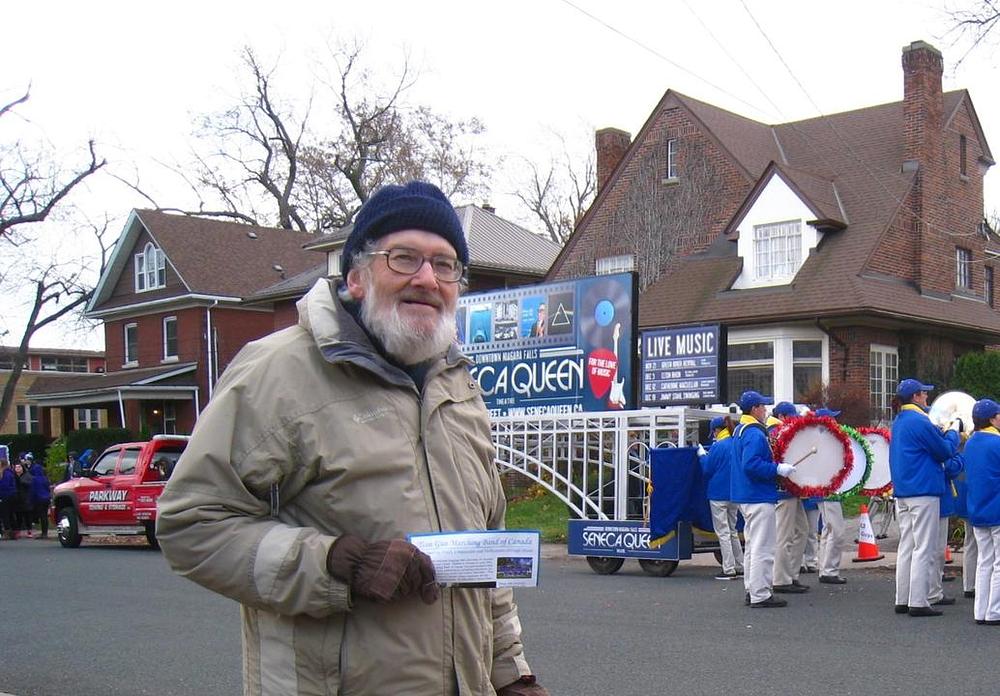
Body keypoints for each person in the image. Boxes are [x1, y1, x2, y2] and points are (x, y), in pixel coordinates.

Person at [157, 181, 548, 696]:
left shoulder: (459, 387)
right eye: (404, 258)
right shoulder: (276, 372)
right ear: (358, 276)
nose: (428, 278)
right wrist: (333, 562)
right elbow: (191, 525)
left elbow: (486, 557)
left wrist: (511, 675)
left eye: (446, 264)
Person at [889, 378, 960, 617]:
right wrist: (953, 432)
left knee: (907, 545)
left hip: (904, 491)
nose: (927, 398)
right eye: (924, 394)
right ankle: (918, 601)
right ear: (916, 397)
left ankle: (903, 598)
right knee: (924, 548)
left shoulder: (899, 420)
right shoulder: (920, 421)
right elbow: (945, 451)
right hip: (923, 490)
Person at [731, 390, 796, 608]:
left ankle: (752, 589)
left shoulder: (741, 430)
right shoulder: (754, 433)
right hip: (757, 495)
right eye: (763, 406)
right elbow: (751, 465)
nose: (766, 410)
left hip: (746, 495)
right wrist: (778, 468)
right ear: (755, 409)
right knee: (763, 547)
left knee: (752, 546)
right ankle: (760, 594)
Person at [963, 398, 1000, 625]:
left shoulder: (971, 442)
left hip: (977, 508)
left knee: (984, 561)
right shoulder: (997, 443)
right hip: (997, 509)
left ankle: (981, 611)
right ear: (992, 418)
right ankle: (995, 611)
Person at [770, 401, 810, 594]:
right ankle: (781, 579)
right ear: (783, 417)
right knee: (784, 535)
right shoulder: (775, 432)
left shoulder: (779, 431)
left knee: (802, 530)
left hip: (790, 491)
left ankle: (791, 574)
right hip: (783, 491)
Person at [699, 415, 744, 580]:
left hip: (718, 494)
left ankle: (728, 568)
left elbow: (707, 470)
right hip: (734, 492)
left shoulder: (717, 446)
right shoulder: (736, 442)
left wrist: (702, 456)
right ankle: (740, 565)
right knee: (733, 531)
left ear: (717, 430)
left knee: (723, 532)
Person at [813, 407, 849, 585]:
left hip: (825, 490)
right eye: (832, 419)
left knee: (828, 530)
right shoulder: (825, 441)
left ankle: (825, 568)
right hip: (829, 491)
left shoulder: (819, 440)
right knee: (837, 531)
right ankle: (829, 570)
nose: (836, 422)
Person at [29, 457, 52, 538]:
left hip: (39, 499)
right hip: (46, 498)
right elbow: (48, 488)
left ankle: (43, 533)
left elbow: (33, 490)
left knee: (41, 516)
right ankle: (45, 532)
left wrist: (31, 500)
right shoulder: (45, 478)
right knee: (45, 516)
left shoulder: (34, 479)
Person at [13, 460, 35, 539]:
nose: (18, 469)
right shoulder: (13, 476)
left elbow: (30, 483)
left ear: (22, 468)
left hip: (26, 498)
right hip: (16, 498)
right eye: (16, 467)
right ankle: (18, 531)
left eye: (19, 467)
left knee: (27, 515)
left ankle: (29, 530)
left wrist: (22, 482)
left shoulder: (27, 475)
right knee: (18, 516)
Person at [0, 456, 15, 540]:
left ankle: (7, 531)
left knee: (5, 514)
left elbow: (4, 485)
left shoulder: (5, 473)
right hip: (10, 495)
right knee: (10, 514)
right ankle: (12, 532)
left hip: (6, 495)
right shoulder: (9, 472)